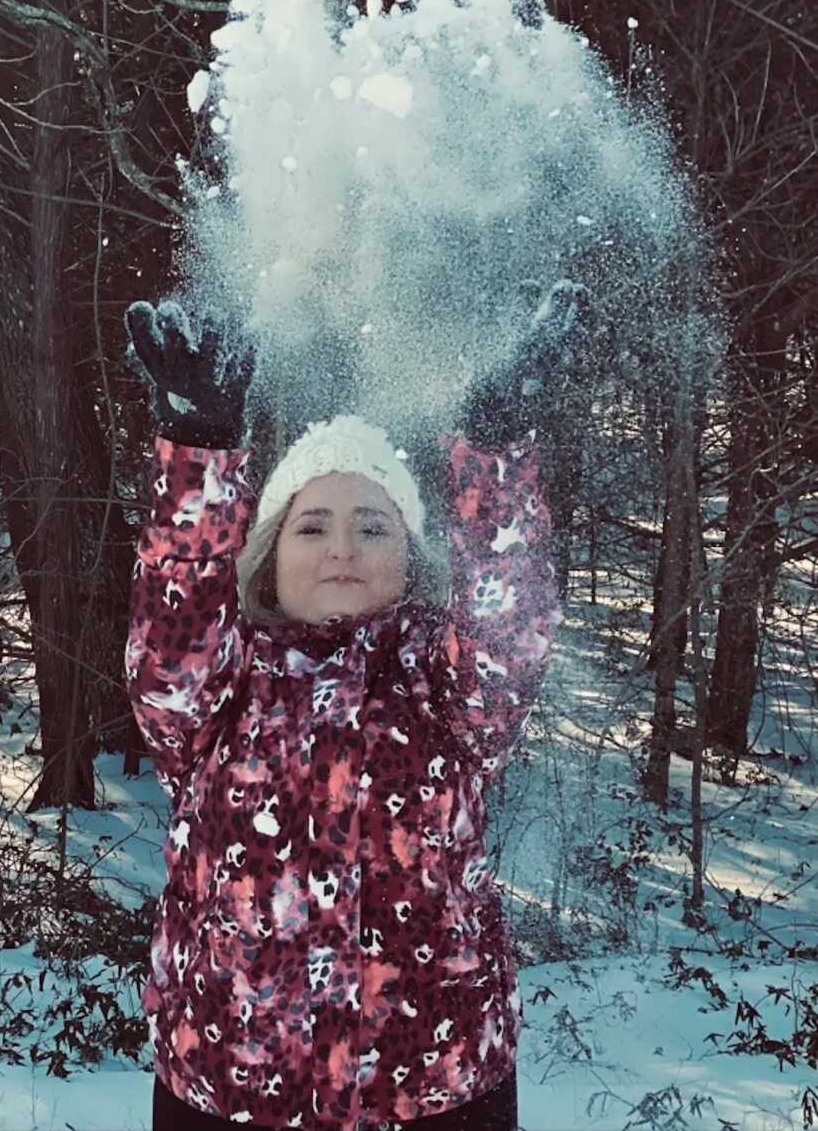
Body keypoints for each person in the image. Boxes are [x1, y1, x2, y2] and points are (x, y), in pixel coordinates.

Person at [124, 295, 573, 1130]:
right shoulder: (219, 693)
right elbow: (169, 648)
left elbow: (510, 630)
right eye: (313, 526)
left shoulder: (448, 691)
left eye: (373, 525)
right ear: (266, 556)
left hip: (434, 1089)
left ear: (411, 557)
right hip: (230, 1086)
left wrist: (495, 454)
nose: (341, 547)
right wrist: (202, 452)